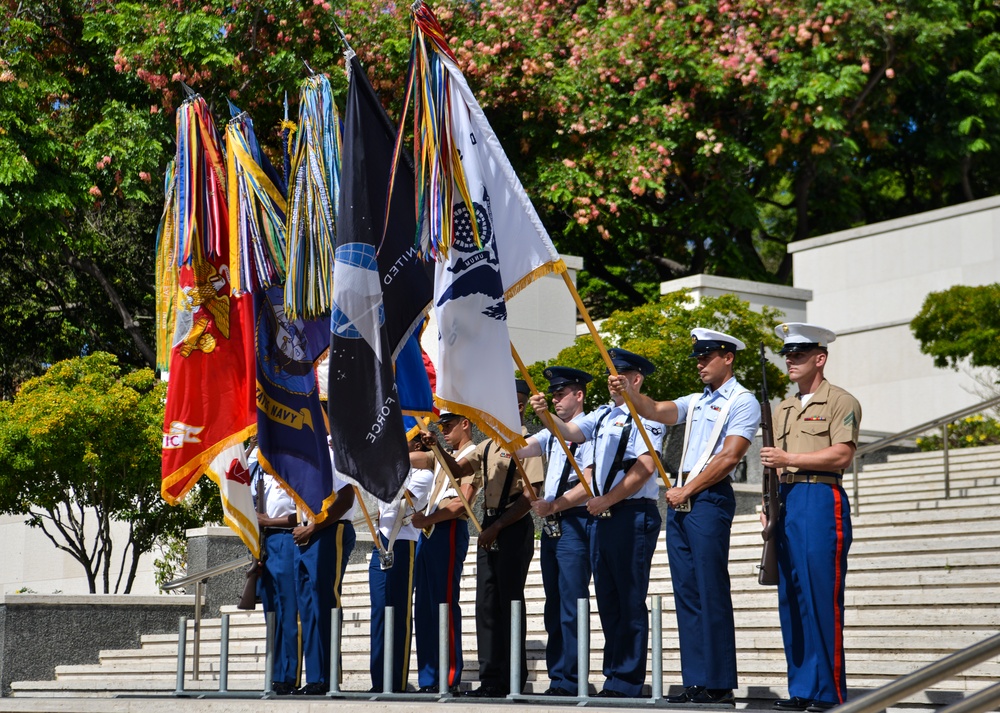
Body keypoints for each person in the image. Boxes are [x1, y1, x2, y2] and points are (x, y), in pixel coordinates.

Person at [610, 328, 760, 707]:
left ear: (728, 357)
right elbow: (656, 409)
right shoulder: (697, 400)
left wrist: (688, 489)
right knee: (687, 595)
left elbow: (730, 457)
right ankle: (696, 679)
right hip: (683, 501)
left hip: (706, 498)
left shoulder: (742, 401)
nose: (700, 363)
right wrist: (629, 392)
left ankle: (720, 682)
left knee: (710, 591)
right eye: (697, 357)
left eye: (707, 355)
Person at [531, 348, 664, 699]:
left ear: (635, 379)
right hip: (604, 516)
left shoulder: (646, 416)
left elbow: (644, 467)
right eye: (610, 373)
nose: (611, 379)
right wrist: (545, 414)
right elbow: (570, 433)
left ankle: (627, 679)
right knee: (608, 599)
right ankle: (613, 677)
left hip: (632, 512)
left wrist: (607, 498)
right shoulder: (604, 415)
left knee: (629, 598)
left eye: (619, 373)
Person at [761, 323, 860, 713]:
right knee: (793, 598)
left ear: (820, 358)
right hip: (786, 500)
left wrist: (790, 460)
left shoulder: (840, 401)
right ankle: (802, 688)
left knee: (822, 596)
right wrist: (770, 506)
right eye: (787, 354)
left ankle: (829, 693)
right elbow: (773, 464)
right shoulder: (782, 407)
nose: (790, 360)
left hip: (821, 495)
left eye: (799, 354)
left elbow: (841, 455)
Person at [432, 381, 544, 697]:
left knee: (509, 602)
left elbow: (530, 494)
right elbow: (456, 467)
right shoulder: (488, 445)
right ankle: (490, 677)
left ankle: (511, 679)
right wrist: (436, 445)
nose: (515, 407)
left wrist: (498, 527)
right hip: (490, 523)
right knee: (486, 605)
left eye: (519, 403)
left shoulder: (526, 442)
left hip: (512, 523)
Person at [514, 366, 594, 696]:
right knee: (553, 603)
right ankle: (559, 676)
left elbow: (588, 481)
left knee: (572, 601)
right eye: (553, 395)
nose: (556, 399)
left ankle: (573, 678)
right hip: (552, 525)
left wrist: (554, 506)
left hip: (574, 520)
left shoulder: (589, 428)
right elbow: (517, 448)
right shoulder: (550, 435)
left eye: (561, 394)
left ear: (579, 395)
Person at [410, 412, 482, 693]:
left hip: (447, 529)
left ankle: (448, 675)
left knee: (443, 604)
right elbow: (412, 458)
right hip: (429, 532)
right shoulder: (444, 454)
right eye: (442, 426)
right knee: (425, 608)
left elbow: (461, 504)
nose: (444, 431)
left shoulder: (472, 455)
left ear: (465, 423)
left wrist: (426, 521)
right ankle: (429, 677)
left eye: (448, 425)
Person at [368, 434, 435, 693]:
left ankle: (395, 679)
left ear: (416, 446)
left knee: (398, 614)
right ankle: (379, 680)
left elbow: (398, 501)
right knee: (380, 615)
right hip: (382, 545)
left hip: (403, 544)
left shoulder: (424, 475)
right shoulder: (396, 470)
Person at [292, 450, 357, 695]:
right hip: (307, 532)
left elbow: (346, 498)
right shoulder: (305, 451)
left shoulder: (334, 454)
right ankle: (316, 677)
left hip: (330, 530)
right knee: (307, 608)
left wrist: (314, 528)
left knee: (325, 602)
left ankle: (328, 676)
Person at [249, 446, 299, 696]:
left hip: (287, 540)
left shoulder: (292, 474)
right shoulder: (260, 477)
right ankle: (276, 673)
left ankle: (290, 675)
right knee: (272, 614)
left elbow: (300, 516)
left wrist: (267, 521)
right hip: (267, 544)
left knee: (289, 613)